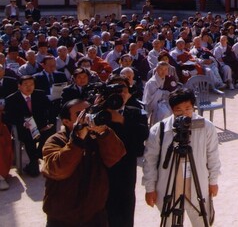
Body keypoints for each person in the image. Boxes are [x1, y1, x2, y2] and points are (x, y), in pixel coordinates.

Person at [142, 88, 221, 227]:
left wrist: (213, 181)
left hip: (197, 184)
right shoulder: (159, 129)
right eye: (179, 110)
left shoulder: (206, 126)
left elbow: (213, 155)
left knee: (202, 221)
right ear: (172, 109)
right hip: (169, 184)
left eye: (188, 108)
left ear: (193, 107)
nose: (184, 114)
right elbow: (150, 161)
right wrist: (150, 188)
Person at [41, 99, 126, 227]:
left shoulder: (98, 136)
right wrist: (77, 140)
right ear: (66, 121)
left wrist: (104, 132)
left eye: (89, 112)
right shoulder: (55, 141)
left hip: (94, 215)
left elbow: (116, 156)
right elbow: (59, 169)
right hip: (62, 217)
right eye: (80, 114)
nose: (86, 118)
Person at [103, 77, 149, 227]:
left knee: (126, 203)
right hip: (102, 166)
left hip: (126, 165)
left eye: (123, 90)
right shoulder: (99, 111)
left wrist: (122, 120)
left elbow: (143, 134)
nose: (120, 93)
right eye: (115, 90)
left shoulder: (136, 111)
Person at [4, 75, 57, 176]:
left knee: (52, 130)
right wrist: (22, 122)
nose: (29, 87)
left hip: (41, 126)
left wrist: (50, 122)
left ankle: (35, 159)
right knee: (30, 136)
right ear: (19, 86)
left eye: (31, 84)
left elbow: (52, 109)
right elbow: (8, 117)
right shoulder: (11, 99)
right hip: (24, 129)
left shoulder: (40, 94)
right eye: (26, 85)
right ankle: (34, 161)